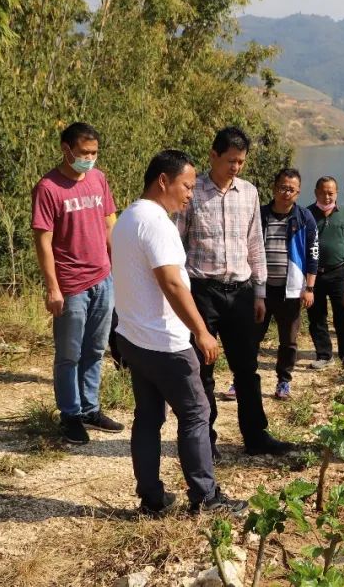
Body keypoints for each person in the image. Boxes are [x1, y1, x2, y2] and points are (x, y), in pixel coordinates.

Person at [111, 149, 247, 517]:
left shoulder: (127, 218)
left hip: (134, 337)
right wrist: (201, 331)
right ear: (163, 181)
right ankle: (206, 498)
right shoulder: (157, 224)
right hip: (164, 342)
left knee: (148, 417)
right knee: (196, 413)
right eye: (186, 186)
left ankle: (152, 498)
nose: (190, 193)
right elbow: (171, 282)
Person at [176, 126, 292, 457]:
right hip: (202, 292)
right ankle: (204, 441)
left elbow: (255, 243)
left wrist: (259, 292)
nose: (236, 167)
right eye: (230, 161)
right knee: (202, 369)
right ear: (213, 155)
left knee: (246, 368)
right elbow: (177, 242)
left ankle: (256, 436)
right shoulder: (192, 192)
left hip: (241, 292)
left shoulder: (249, 192)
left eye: (241, 162)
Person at [32, 122, 123, 445]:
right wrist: (52, 287)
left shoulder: (98, 180)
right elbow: (43, 241)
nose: (89, 158)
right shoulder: (48, 188)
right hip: (71, 285)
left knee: (95, 349)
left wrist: (120, 269)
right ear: (66, 149)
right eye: (84, 152)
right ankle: (70, 414)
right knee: (69, 354)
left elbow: (110, 225)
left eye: (94, 152)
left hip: (103, 279)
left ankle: (89, 408)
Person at [256, 168, 318, 400]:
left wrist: (309, 288)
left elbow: (313, 253)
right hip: (260, 289)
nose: (286, 193)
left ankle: (284, 381)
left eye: (291, 189)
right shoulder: (260, 214)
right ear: (274, 188)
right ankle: (241, 379)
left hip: (290, 290)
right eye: (282, 187)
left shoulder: (304, 217)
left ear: (298, 192)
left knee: (288, 341)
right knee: (251, 337)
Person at [307, 176, 344, 370]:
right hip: (314, 275)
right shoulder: (307, 214)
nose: (327, 197)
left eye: (331, 193)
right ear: (316, 193)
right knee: (317, 316)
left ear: (337, 193)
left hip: (339, 272)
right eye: (323, 192)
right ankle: (324, 355)